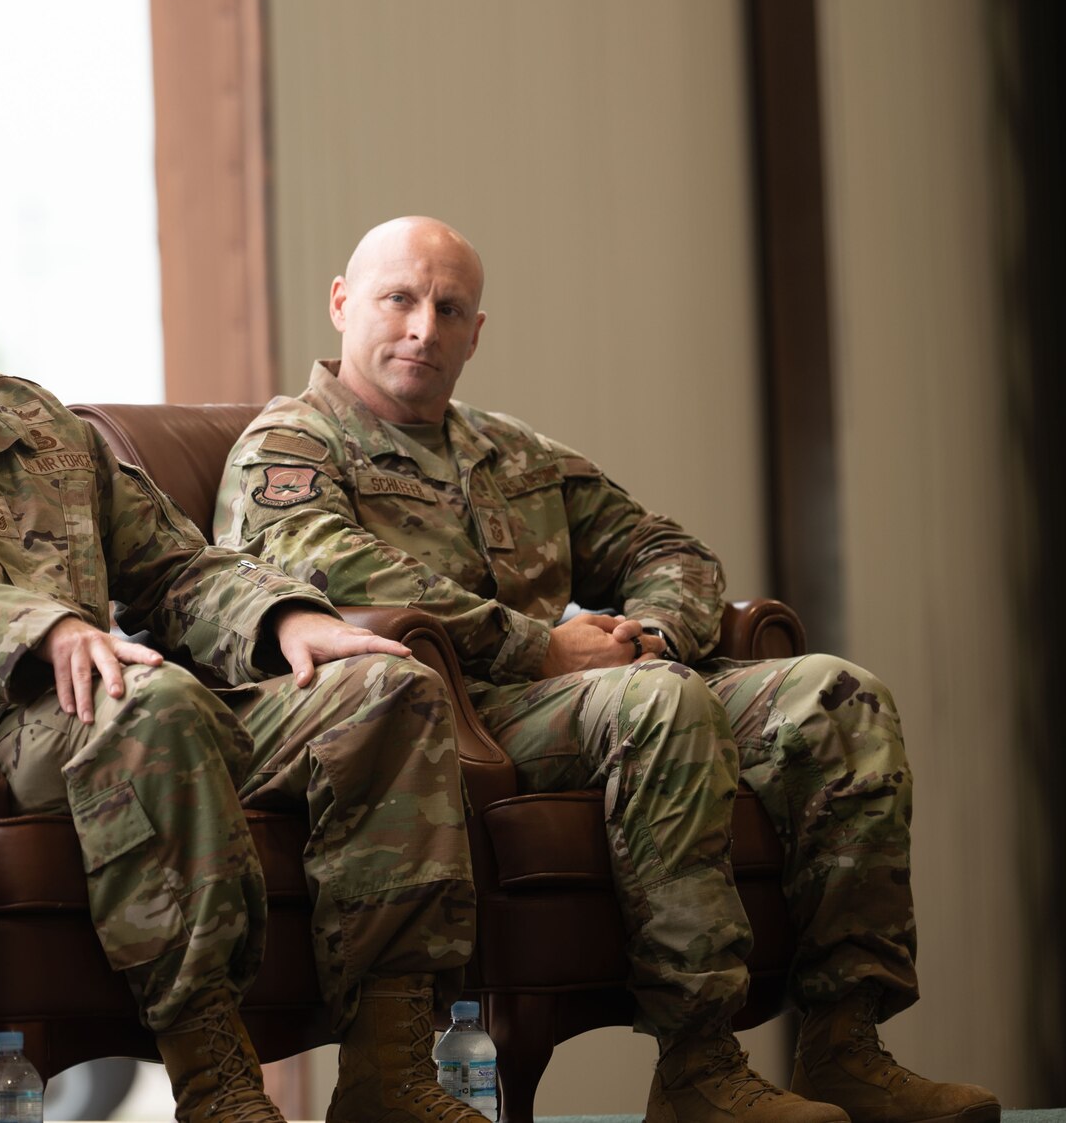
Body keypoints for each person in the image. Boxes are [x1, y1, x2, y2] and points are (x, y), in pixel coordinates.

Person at [0, 141, 482, 1123]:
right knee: (144, 698)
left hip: (127, 702)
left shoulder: (41, 424)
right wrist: (40, 627)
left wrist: (285, 618)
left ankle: (390, 1071)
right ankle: (215, 1078)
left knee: (387, 689)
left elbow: (174, 564)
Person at [216, 216, 999, 1123]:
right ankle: (699, 1061)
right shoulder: (291, 444)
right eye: (400, 299)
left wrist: (659, 631)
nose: (424, 327)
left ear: (478, 331)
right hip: (443, 711)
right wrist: (538, 645)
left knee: (835, 694)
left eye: (450, 307)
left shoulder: (513, 454)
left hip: (583, 692)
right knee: (657, 704)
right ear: (343, 303)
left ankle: (845, 1041)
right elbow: (330, 568)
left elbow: (666, 546)